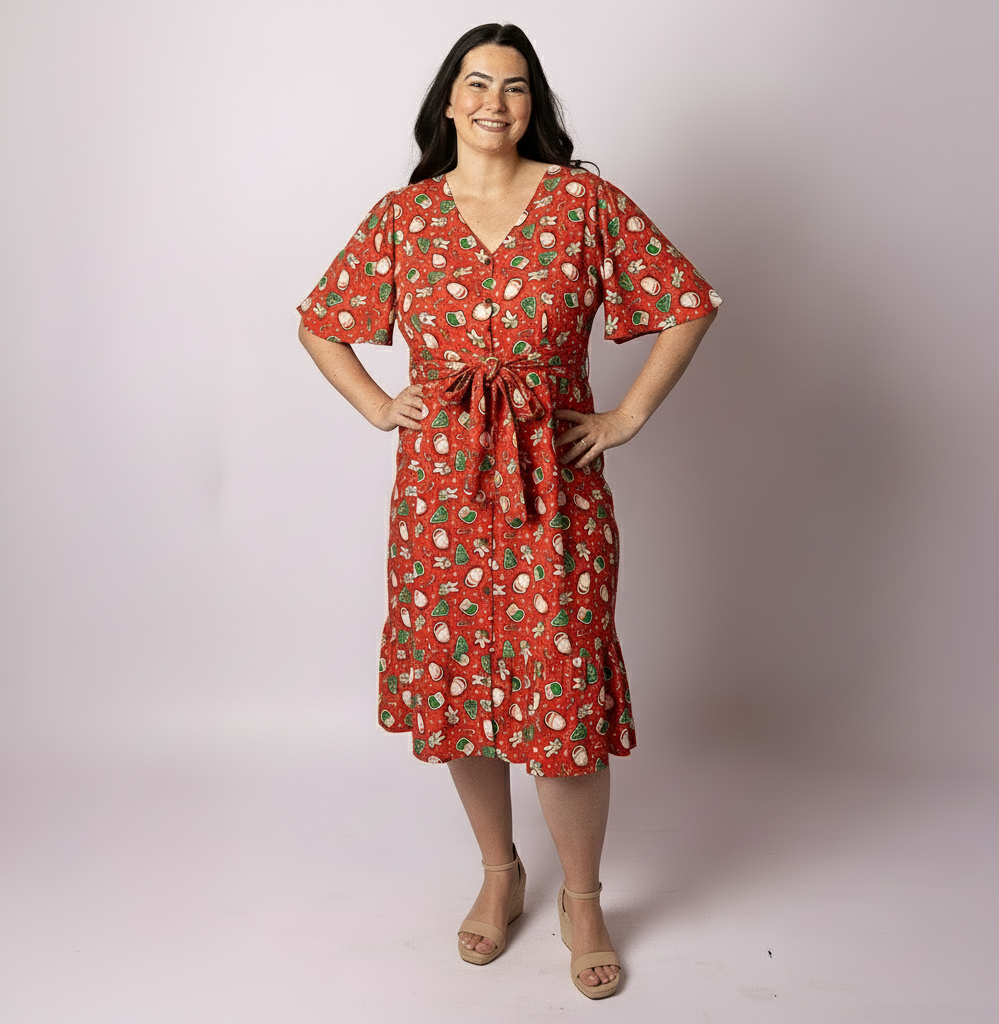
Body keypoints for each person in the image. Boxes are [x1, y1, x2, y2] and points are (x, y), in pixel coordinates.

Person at [297, 22, 720, 1000]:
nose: (496, 101)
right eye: (478, 83)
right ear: (448, 101)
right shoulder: (405, 216)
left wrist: (626, 415)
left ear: (536, 105)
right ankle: (499, 872)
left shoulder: (582, 203)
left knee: (560, 686)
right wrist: (378, 404)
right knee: (465, 689)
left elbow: (688, 300)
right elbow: (322, 322)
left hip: (554, 488)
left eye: (516, 86)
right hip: (440, 493)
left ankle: (583, 899)